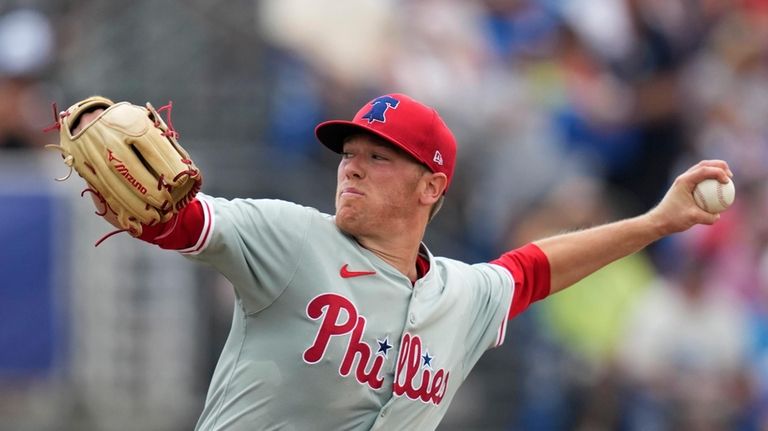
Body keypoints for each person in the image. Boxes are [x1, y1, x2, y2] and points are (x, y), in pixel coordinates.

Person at [72, 93, 732, 430]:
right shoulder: (291, 236)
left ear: (431, 187)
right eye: (348, 153)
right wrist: (160, 217)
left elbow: (532, 268)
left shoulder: (460, 296)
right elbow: (188, 221)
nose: (351, 166)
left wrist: (659, 221)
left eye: (378, 157)